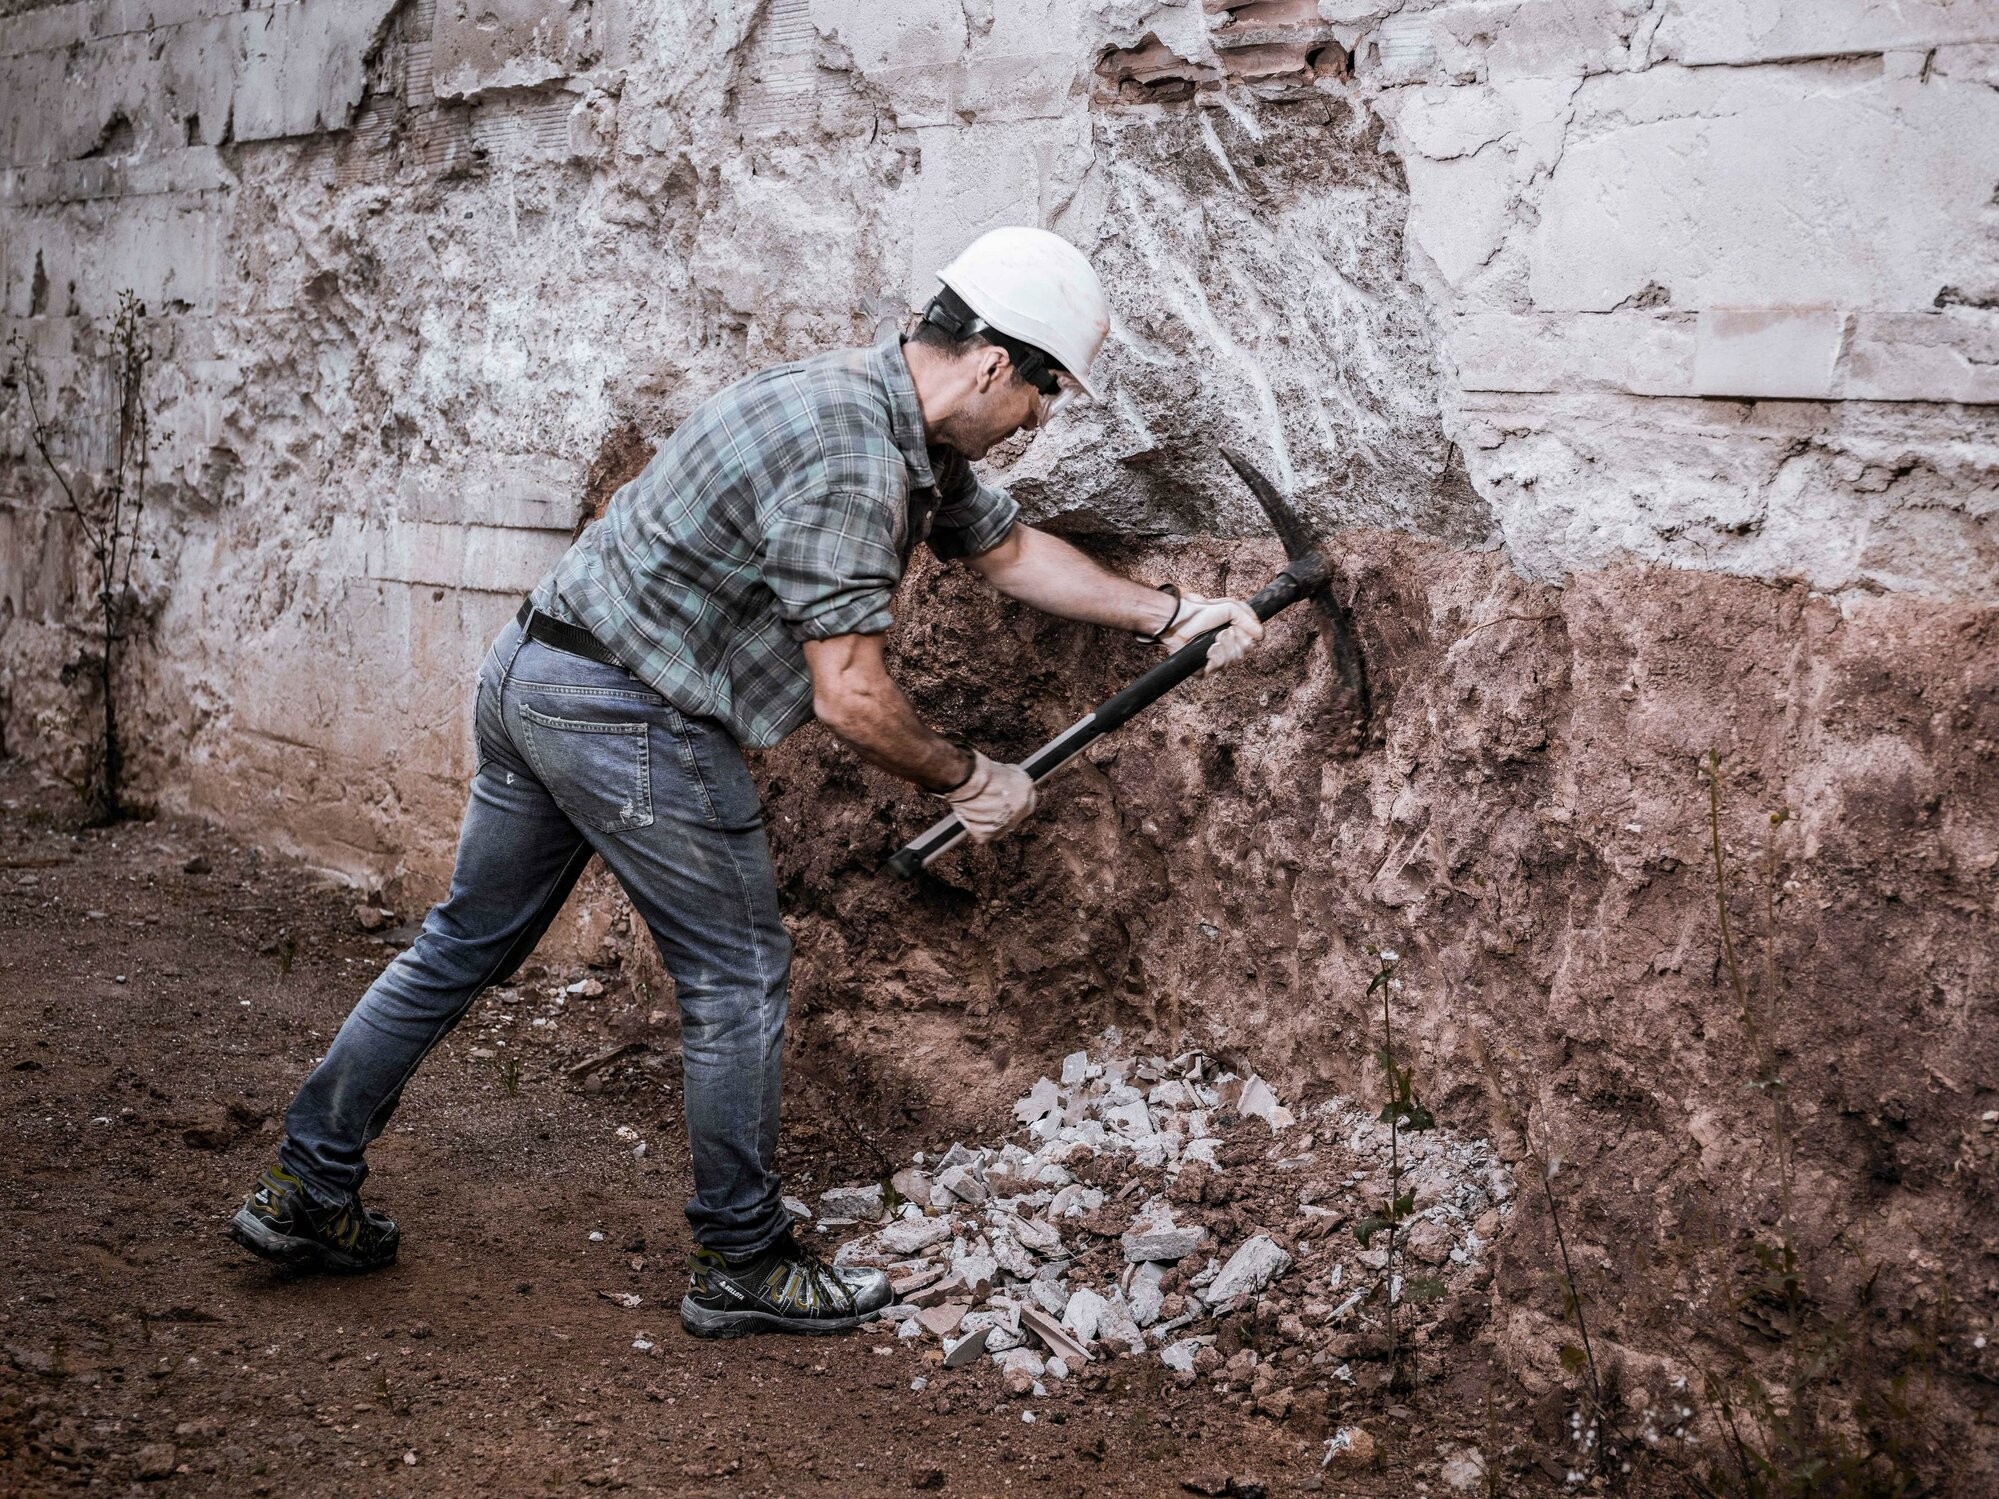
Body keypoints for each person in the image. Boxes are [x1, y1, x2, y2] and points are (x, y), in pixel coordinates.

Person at [228, 226, 1264, 1337]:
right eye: (1044, 392)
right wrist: (968, 777)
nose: (1039, 420)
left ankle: (305, 1187)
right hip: (627, 712)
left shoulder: (874, 411)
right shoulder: (853, 462)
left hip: (536, 670)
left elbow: (1005, 550)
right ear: (992, 363)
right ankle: (741, 1256)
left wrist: (1169, 613)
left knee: (461, 943)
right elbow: (850, 694)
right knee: (736, 974)